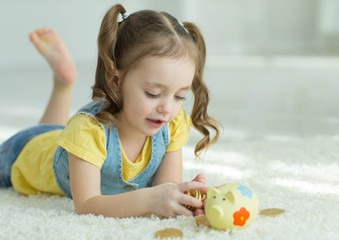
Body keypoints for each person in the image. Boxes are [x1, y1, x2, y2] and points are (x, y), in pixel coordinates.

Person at [0, 4, 220, 218]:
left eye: (180, 96)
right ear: (116, 80)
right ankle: (62, 85)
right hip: (21, 152)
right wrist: (148, 200)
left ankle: (62, 83)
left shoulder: (171, 124)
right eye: (153, 93)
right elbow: (86, 204)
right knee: (44, 133)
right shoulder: (88, 130)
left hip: (60, 139)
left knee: (54, 130)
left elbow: (165, 188)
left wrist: (185, 199)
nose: (168, 108)